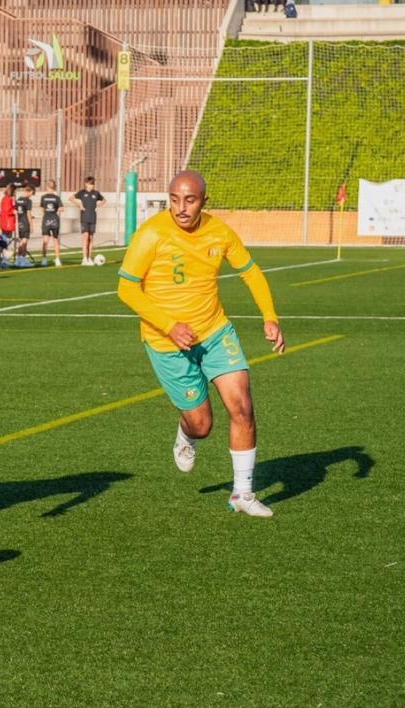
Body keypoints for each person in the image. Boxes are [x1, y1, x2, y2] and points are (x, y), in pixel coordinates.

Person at [116, 170, 286, 518]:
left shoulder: (219, 231)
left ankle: (242, 493)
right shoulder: (150, 235)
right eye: (174, 199)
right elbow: (126, 288)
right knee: (202, 425)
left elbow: (250, 272)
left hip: (214, 331)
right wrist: (169, 325)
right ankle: (186, 433)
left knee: (241, 404)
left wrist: (270, 316)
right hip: (165, 342)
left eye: (189, 200)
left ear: (204, 201)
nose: (181, 208)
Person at [72, 176, 105, 265]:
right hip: (84, 217)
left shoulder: (96, 193)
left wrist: (98, 206)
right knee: (85, 236)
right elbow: (71, 198)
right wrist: (80, 205)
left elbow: (104, 200)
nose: (91, 186)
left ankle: (89, 257)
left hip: (93, 217)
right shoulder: (82, 193)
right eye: (90, 184)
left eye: (92, 184)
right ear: (86, 184)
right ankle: (84, 258)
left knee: (91, 238)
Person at [39, 179, 64, 267]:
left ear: (47, 187)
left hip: (46, 219)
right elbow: (61, 209)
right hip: (55, 219)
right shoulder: (57, 197)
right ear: (54, 188)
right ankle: (57, 259)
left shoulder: (43, 197)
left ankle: (44, 259)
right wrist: (55, 210)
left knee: (45, 240)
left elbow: (41, 209)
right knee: (56, 240)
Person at [14, 184, 35, 267]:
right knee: (24, 242)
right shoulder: (28, 200)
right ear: (30, 192)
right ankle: (23, 259)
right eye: (32, 194)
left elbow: (16, 212)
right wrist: (31, 225)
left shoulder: (18, 199)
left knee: (21, 242)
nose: (31, 196)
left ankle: (18, 259)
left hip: (20, 223)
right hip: (25, 222)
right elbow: (28, 213)